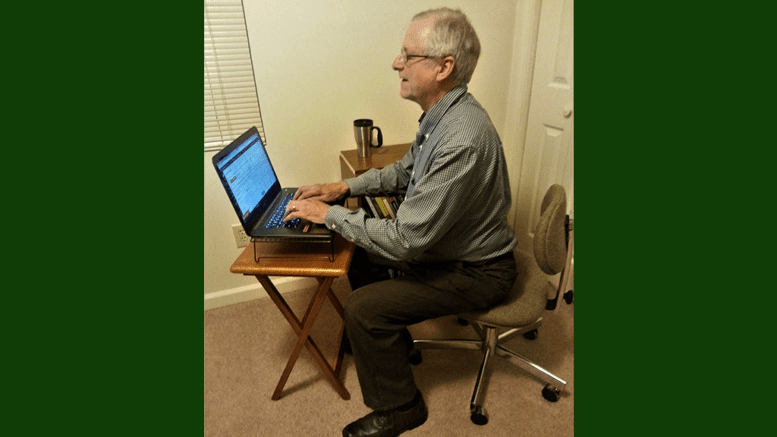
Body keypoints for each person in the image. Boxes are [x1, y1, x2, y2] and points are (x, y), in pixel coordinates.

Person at [283, 8, 518, 437]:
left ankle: (401, 407)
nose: (396, 63)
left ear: (444, 67)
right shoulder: (442, 115)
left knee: (363, 307)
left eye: (408, 55)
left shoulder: (461, 137)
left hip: (479, 270)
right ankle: (392, 343)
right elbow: (405, 171)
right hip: (448, 249)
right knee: (358, 251)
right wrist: (343, 189)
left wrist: (328, 215)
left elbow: (408, 239)